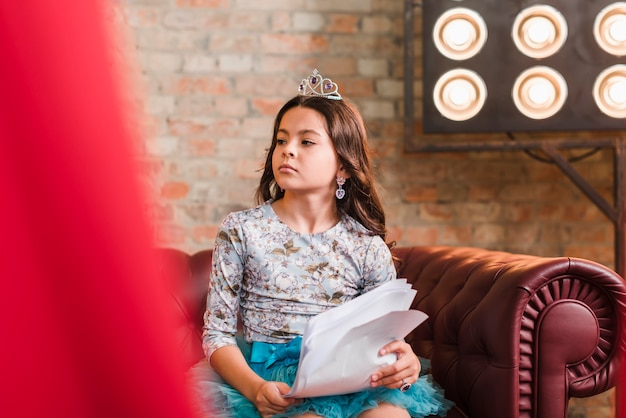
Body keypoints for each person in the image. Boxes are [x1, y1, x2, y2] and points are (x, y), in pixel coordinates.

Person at [189, 69, 453, 418]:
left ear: (343, 165)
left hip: (350, 379)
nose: (288, 151)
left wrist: (404, 360)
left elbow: (386, 338)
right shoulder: (242, 230)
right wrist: (256, 389)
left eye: (306, 142)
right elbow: (217, 335)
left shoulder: (364, 245)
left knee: (391, 416)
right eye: (281, 141)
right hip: (270, 379)